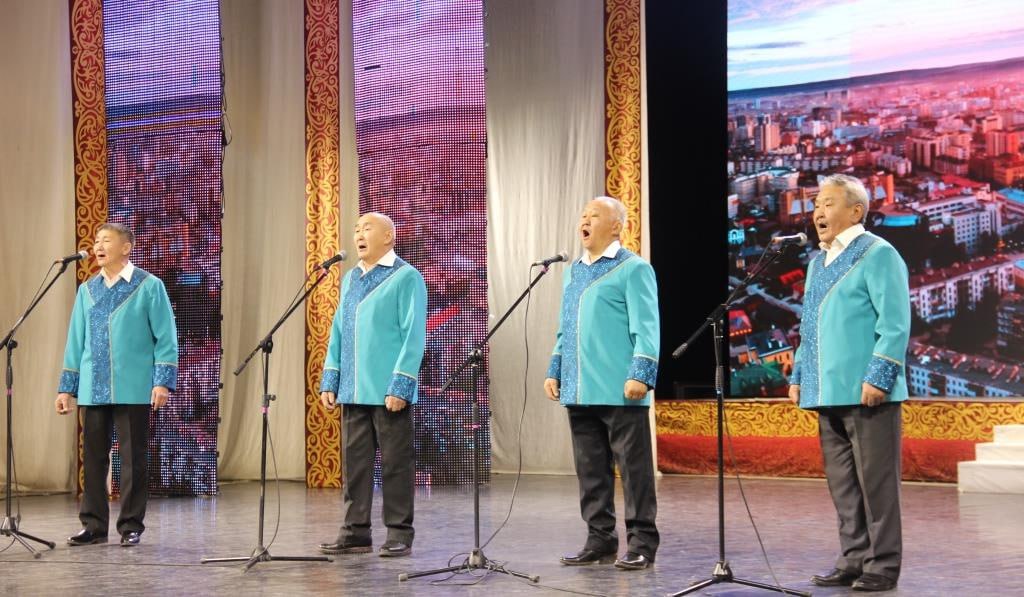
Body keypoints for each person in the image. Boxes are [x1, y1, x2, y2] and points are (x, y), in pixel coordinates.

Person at [789, 173, 910, 593]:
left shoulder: (879, 253)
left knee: (877, 485)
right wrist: (799, 374)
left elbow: (895, 324)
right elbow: (808, 326)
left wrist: (879, 377)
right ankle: (853, 558)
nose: (817, 212)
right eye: (816, 204)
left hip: (866, 392)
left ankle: (883, 564)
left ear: (856, 211)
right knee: (843, 485)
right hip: (826, 390)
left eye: (828, 203)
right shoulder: (817, 262)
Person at [544, 196, 660, 571]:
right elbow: (565, 328)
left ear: (616, 226)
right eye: (583, 215)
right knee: (591, 470)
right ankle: (600, 539)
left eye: (594, 215)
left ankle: (642, 542)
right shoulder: (573, 272)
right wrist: (555, 369)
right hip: (579, 388)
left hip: (620, 388)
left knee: (634, 471)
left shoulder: (633, 268)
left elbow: (647, 327)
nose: (585, 220)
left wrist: (640, 374)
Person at [56, 222, 178, 547]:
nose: (98, 246)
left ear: (126, 247)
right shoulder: (87, 290)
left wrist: (162, 382)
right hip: (92, 386)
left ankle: (130, 525)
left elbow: (166, 337)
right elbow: (75, 341)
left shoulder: (149, 286)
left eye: (106, 240)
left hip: (134, 385)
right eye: (96, 240)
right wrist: (66, 388)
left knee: (132, 458)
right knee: (94, 459)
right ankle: (94, 526)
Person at [317, 212, 427, 558]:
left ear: (388, 237)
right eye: (356, 229)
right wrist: (331, 377)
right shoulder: (350, 278)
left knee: (395, 464)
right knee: (355, 466)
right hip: (353, 388)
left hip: (388, 391)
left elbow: (414, 335)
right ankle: (355, 532)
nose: (359, 235)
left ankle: (399, 532)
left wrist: (401, 385)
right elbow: (338, 330)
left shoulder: (407, 277)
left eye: (367, 229)